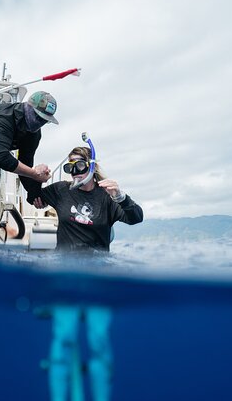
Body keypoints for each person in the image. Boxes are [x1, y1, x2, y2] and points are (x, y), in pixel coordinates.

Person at [33, 145, 143, 401]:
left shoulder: (106, 198)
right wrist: (36, 176)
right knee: (63, 341)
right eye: (70, 169)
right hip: (65, 275)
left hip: (97, 277)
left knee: (98, 342)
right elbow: (33, 196)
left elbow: (136, 217)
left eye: (79, 167)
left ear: (92, 167)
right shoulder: (60, 191)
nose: (74, 173)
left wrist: (121, 196)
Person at [0, 91, 58, 204]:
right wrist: (34, 174)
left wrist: (35, 193)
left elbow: (25, 164)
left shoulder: (34, 133)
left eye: (45, 121)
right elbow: (1, 157)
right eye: (38, 117)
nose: (40, 123)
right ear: (28, 107)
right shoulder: (5, 117)